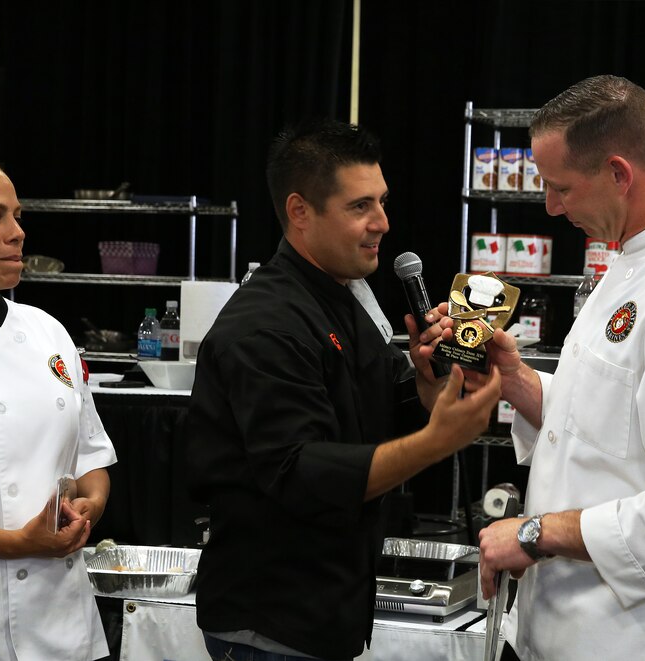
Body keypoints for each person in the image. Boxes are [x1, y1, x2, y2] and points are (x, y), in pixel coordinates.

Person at [458, 75, 645, 660]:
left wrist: (535, 532)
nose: (551, 207)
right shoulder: (635, 257)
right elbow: (614, 427)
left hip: (642, 640)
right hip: (576, 626)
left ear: (619, 174)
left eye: (561, 188)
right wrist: (517, 381)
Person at [186, 118, 502, 661]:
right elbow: (300, 472)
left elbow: (378, 406)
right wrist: (437, 440)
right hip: (271, 624)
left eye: (382, 202)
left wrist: (430, 392)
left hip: (329, 609)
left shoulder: (343, 296)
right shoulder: (264, 325)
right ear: (300, 211)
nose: (382, 222)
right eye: (360, 207)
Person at [0, 152, 116, 660]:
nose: (17, 231)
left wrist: (90, 505)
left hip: (62, 624)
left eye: (18, 216)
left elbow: (91, 459)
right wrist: (17, 544)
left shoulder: (46, 330)